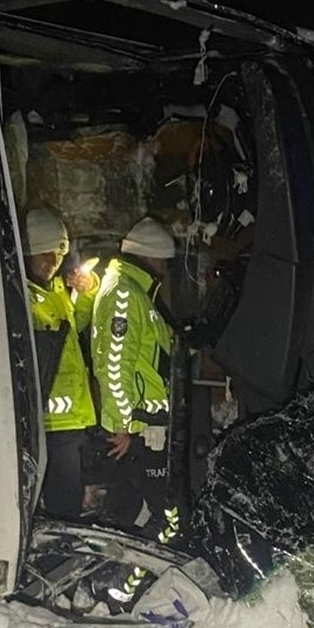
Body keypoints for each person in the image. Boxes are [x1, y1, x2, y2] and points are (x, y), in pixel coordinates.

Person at [90, 216, 179, 541]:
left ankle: (109, 581)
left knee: (127, 511)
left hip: (145, 426)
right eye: (165, 263)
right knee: (162, 513)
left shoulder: (134, 293)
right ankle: (117, 580)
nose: (165, 271)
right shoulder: (126, 296)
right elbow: (115, 366)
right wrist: (123, 426)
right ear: (152, 257)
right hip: (137, 430)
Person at [22, 208, 99, 519]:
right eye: (45, 254)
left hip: (70, 422)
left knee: (67, 501)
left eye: (57, 254)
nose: (51, 263)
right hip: (49, 426)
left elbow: (77, 323)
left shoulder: (55, 290)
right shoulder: (22, 296)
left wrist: (88, 291)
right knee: (59, 506)